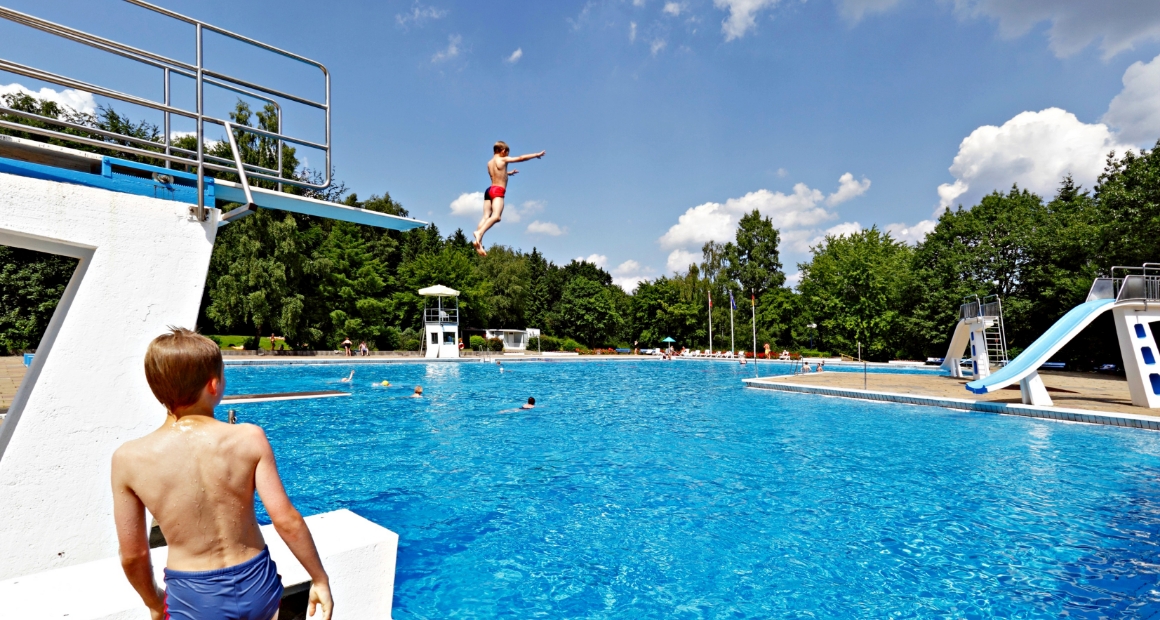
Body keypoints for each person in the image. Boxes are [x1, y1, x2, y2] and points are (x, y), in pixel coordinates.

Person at [111, 328, 333, 620]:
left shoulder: (130, 459)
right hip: (258, 583)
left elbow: (134, 555)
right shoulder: (250, 437)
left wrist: (153, 601)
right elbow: (286, 520)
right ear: (214, 385)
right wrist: (319, 578)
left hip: (195, 597)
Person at [473, 141, 546, 256]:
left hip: (489, 190)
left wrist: (509, 173)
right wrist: (536, 155)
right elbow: (521, 158)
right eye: (507, 153)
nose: (507, 156)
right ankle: (479, 233)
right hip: (498, 191)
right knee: (496, 217)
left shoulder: (489, 163)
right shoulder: (503, 159)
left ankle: (479, 243)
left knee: (486, 216)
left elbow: (498, 173)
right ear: (503, 151)